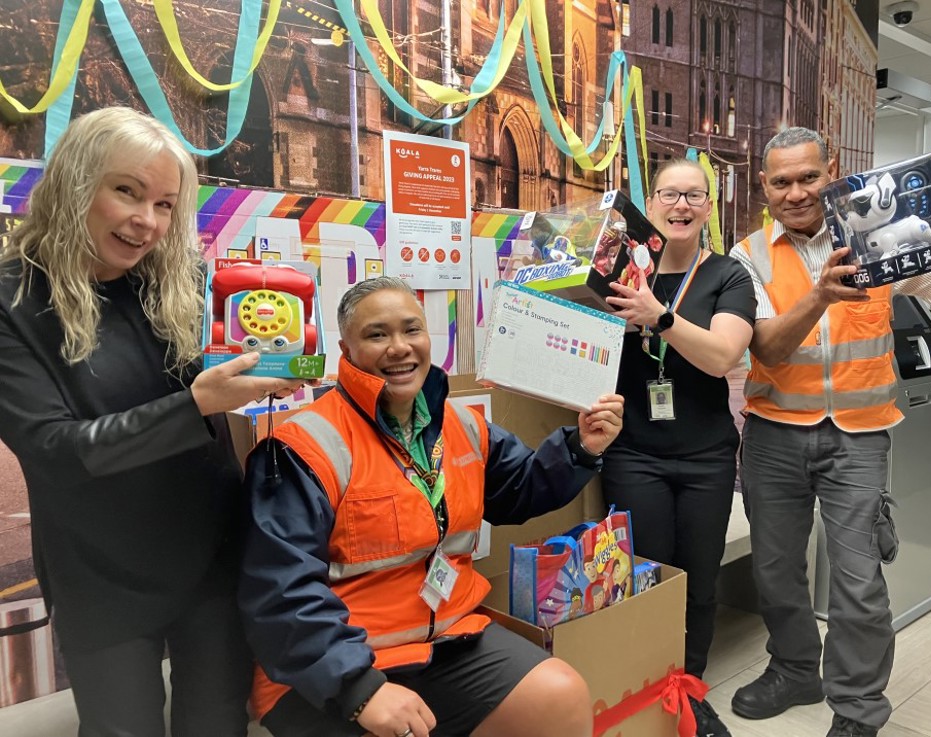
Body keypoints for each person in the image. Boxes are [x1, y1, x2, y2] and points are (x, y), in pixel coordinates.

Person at [0, 106, 305, 736]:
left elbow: (239, 377)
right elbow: (53, 449)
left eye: (165, 204)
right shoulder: (13, 300)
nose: (147, 222)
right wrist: (196, 403)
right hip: (100, 574)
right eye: (126, 192)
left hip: (211, 555)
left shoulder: (181, 280)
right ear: (74, 184)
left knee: (217, 722)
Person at [238, 276, 625, 737]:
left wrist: (581, 447)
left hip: (449, 638)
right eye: (377, 334)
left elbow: (519, 489)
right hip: (333, 664)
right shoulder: (302, 448)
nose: (399, 348)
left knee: (560, 694)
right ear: (346, 349)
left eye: (411, 330)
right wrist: (360, 688)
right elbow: (280, 592)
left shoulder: (462, 424)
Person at [728, 127, 931, 737]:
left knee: (858, 581)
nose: (795, 192)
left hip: (859, 437)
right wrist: (821, 296)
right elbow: (764, 346)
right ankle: (796, 670)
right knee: (774, 569)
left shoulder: (879, 239)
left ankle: (858, 709)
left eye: (808, 177)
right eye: (780, 181)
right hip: (773, 435)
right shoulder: (749, 255)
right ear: (763, 187)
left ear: (833, 171)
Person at [603, 158, 757, 737]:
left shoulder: (728, 275)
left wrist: (658, 316)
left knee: (697, 579)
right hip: (632, 450)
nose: (681, 206)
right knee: (642, 576)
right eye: (670, 194)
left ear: (709, 206)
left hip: (705, 456)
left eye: (695, 195)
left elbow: (722, 357)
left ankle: (688, 691)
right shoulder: (617, 271)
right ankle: (641, 687)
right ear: (653, 202)